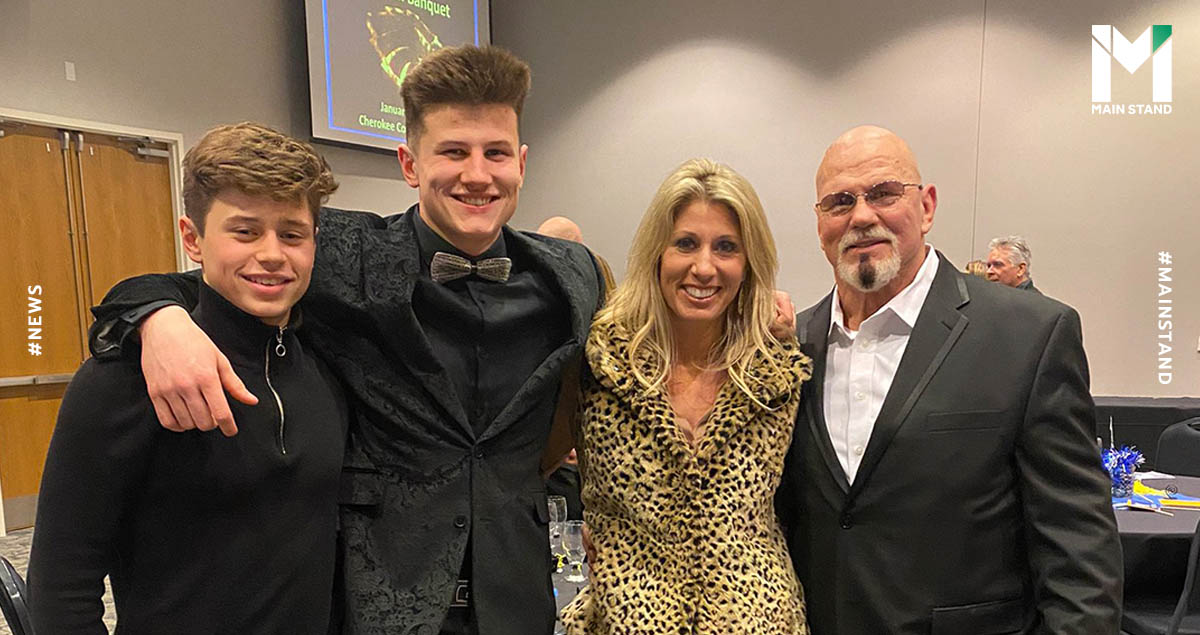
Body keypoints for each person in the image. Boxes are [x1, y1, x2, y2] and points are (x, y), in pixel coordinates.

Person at [85, 46, 606, 635]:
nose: (478, 174)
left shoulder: (572, 275)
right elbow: (195, 281)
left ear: (522, 162)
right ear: (410, 163)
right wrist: (159, 318)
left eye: (496, 153)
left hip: (516, 597)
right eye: (454, 151)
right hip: (378, 603)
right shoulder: (341, 252)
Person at [776, 126, 1122, 634]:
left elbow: (1078, 544)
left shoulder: (1028, 334)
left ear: (927, 207)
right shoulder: (789, 347)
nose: (862, 216)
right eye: (840, 202)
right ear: (819, 223)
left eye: (884, 193)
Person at [27, 123, 347, 633]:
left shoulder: (329, 363)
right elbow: (61, 590)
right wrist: (154, 317)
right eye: (245, 231)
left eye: (292, 234)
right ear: (193, 239)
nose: (272, 253)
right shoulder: (124, 378)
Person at [561, 158, 811, 634]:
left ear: (748, 263)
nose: (704, 267)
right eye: (686, 244)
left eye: (726, 247)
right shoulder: (599, 362)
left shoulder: (777, 375)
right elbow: (526, 468)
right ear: (657, 252)